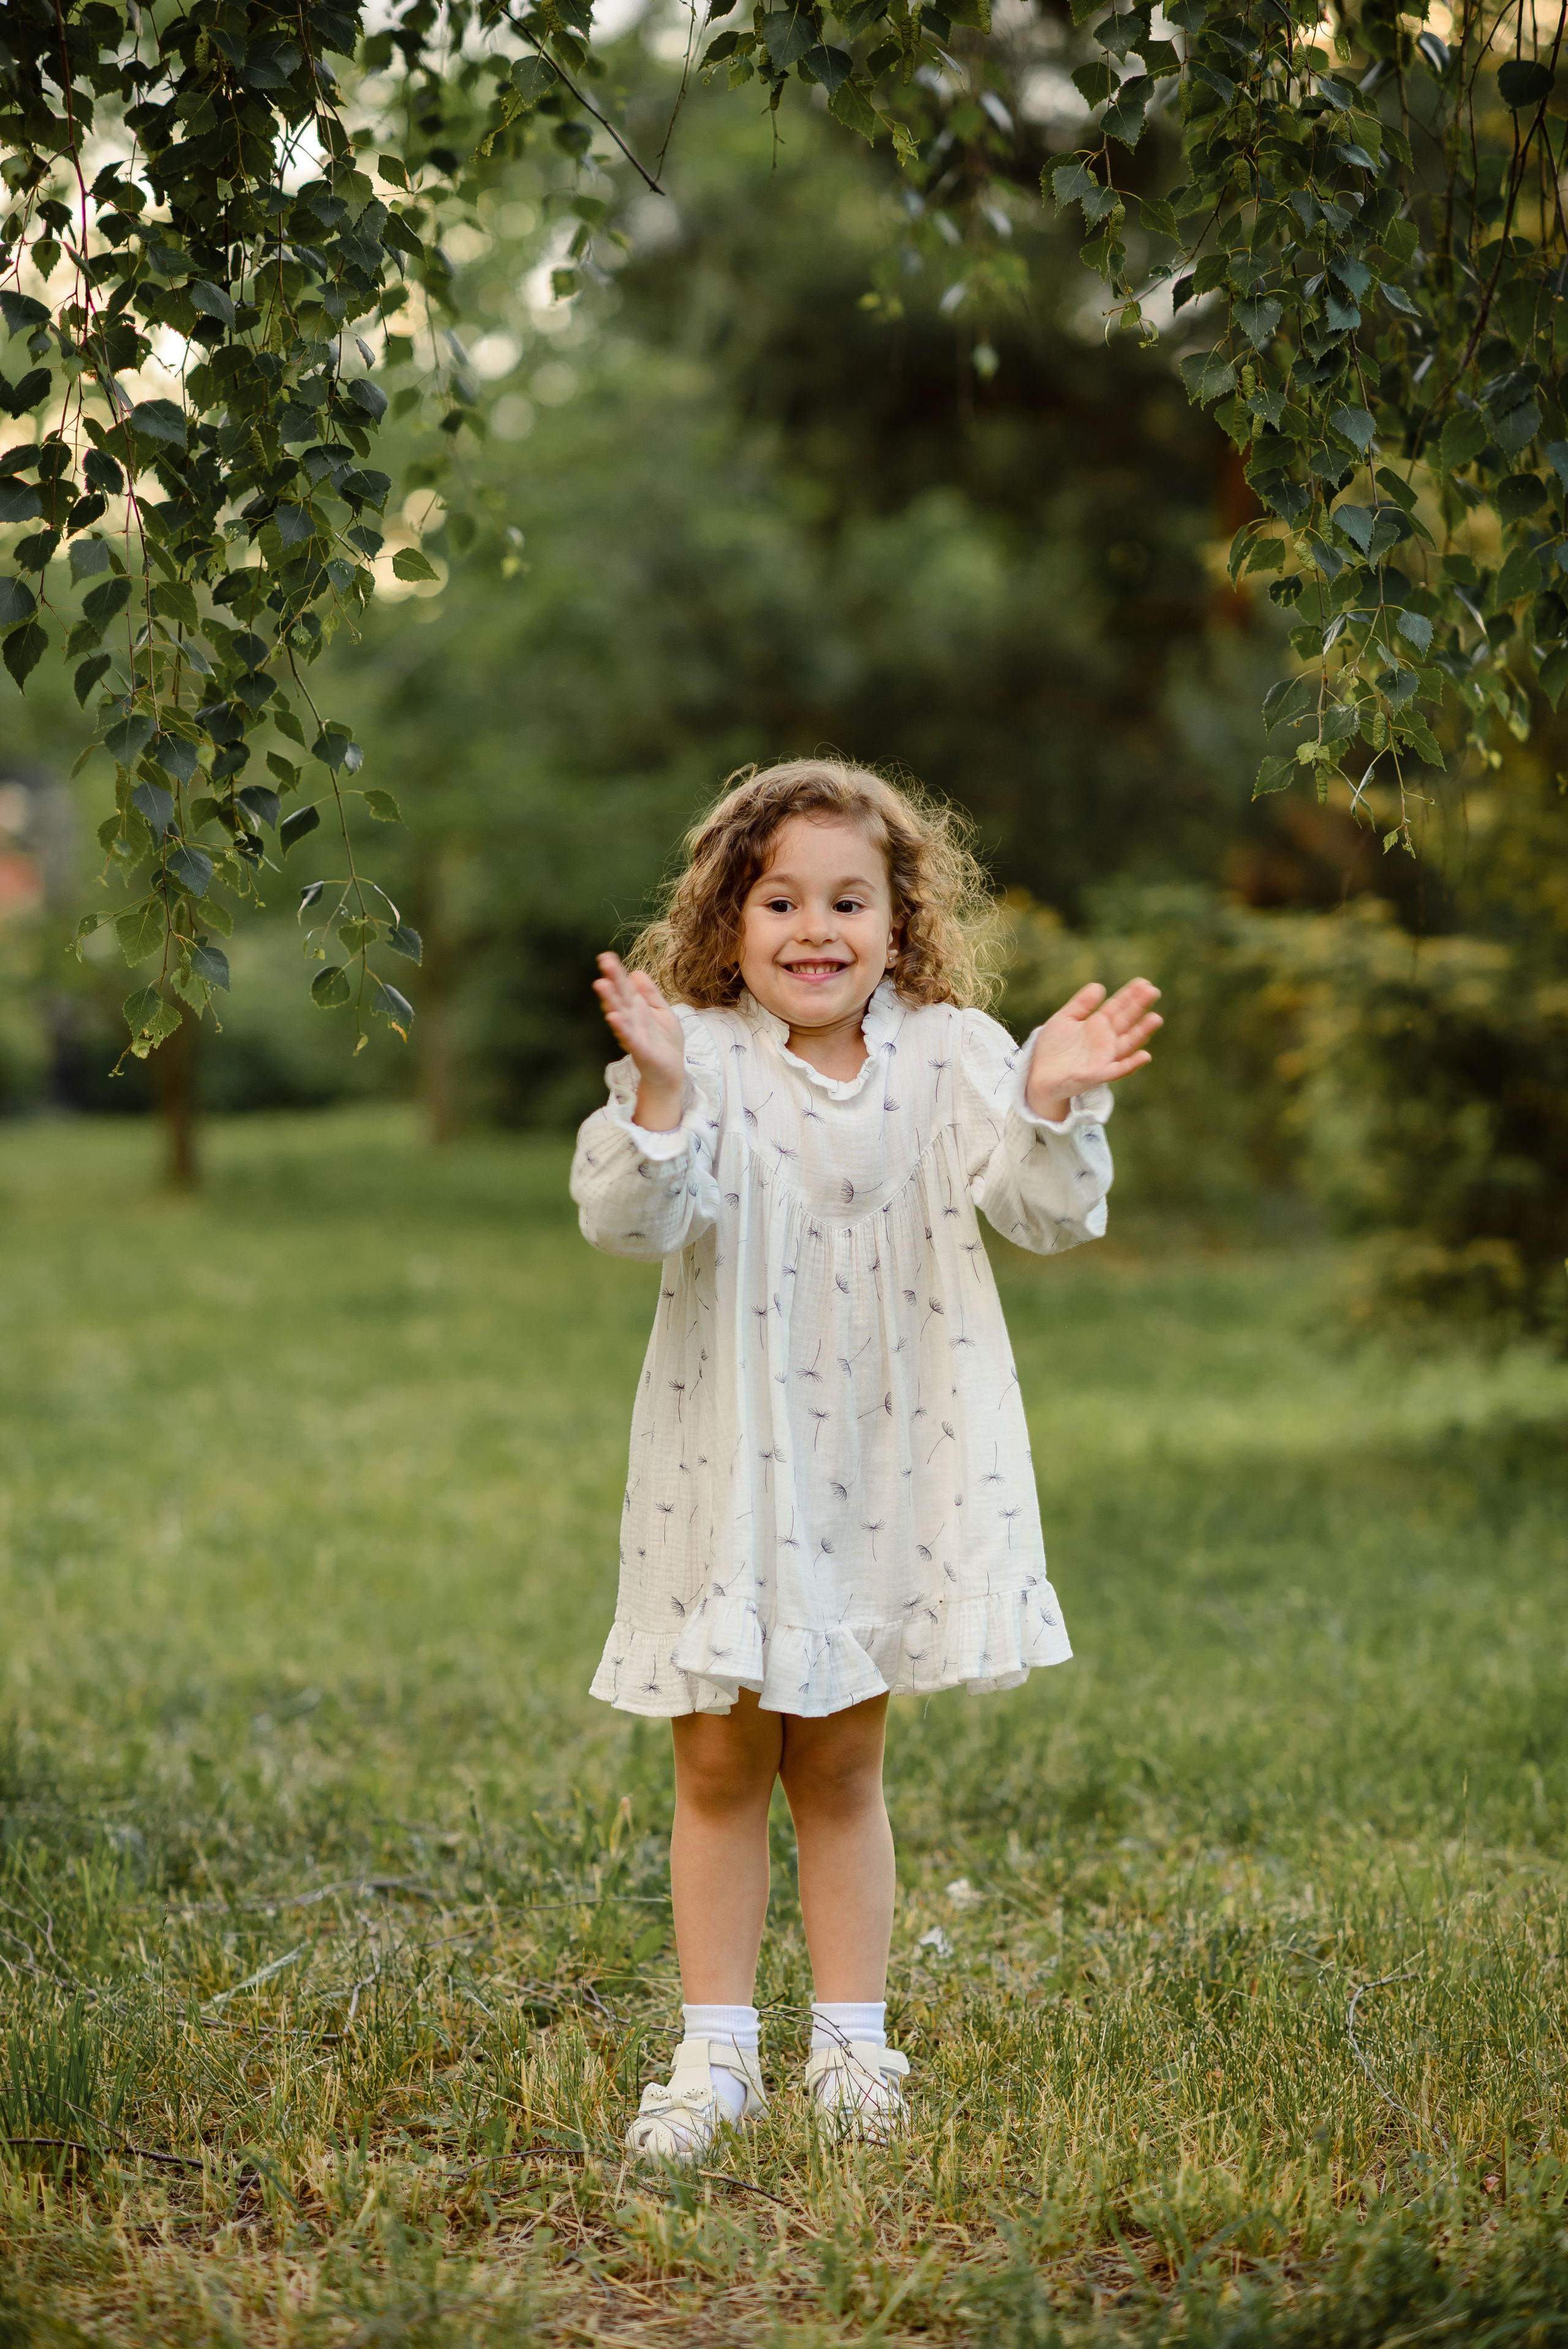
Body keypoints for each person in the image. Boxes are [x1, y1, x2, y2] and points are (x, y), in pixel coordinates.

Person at [570, 758, 1160, 2162]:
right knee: (716, 1764)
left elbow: (1039, 1213)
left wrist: (1055, 1104)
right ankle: (714, 2057)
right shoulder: (695, 1058)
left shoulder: (952, 1053)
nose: (814, 929)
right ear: (730, 917)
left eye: (850, 899)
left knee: (839, 1766)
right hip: (735, 1469)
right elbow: (630, 1220)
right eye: (779, 900)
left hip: (888, 1464)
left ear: (902, 922)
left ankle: (852, 2047)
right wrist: (653, 1098)